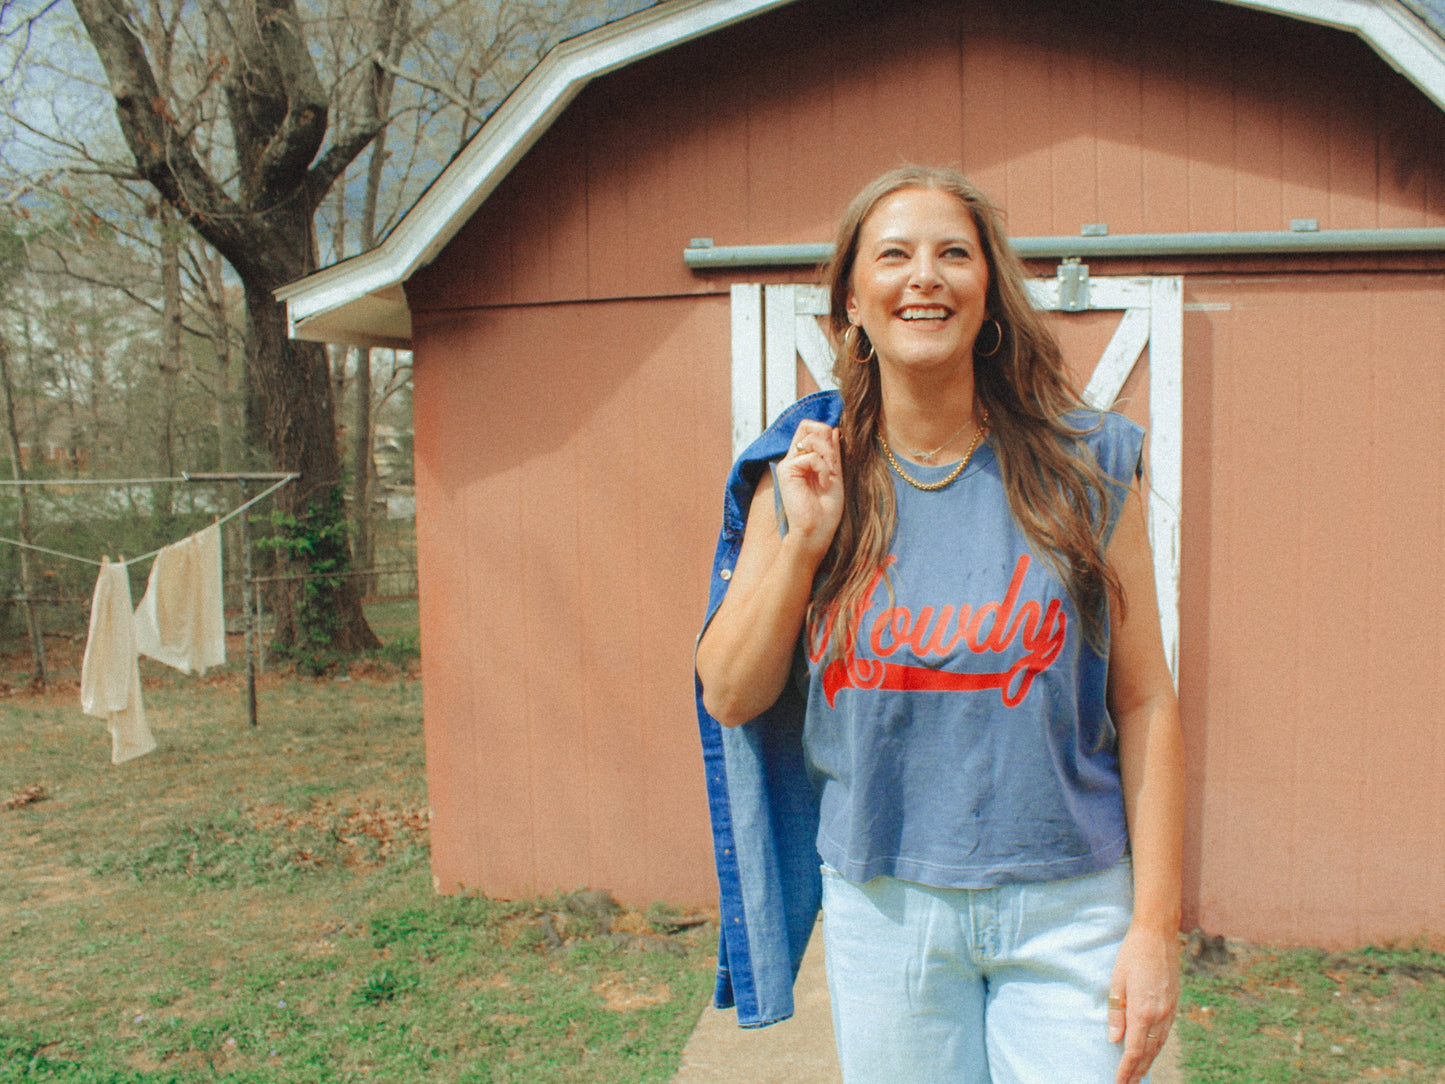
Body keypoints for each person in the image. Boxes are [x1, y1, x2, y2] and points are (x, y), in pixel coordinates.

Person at [694, 165, 1185, 1084]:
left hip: (1069, 905)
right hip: (886, 910)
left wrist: (1153, 930)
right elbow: (728, 692)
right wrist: (804, 546)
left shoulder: (1086, 466)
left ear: (987, 290)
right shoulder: (802, 471)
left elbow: (1148, 703)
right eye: (895, 255)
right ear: (852, 298)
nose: (925, 275)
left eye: (953, 253)